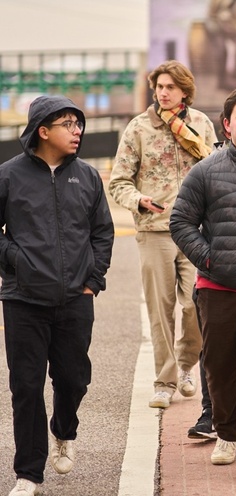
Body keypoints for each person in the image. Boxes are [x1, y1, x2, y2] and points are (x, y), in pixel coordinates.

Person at [0, 96, 114, 496]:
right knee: (26, 387)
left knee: (73, 379)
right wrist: (14, 260)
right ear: (43, 131)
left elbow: (102, 232)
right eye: (68, 124)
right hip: (23, 300)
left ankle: (64, 430)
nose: (78, 130)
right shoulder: (9, 176)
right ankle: (29, 473)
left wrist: (92, 280)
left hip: (74, 299)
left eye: (78, 124)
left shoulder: (87, 176)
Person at [170, 87, 236, 485]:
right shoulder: (205, 171)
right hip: (217, 288)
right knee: (218, 368)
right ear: (227, 124)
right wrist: (210, 259)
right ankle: (227, 433)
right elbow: (180, 222)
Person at [108, 60, 216, 422]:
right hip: (154, 229)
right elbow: (119, 181)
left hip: (196, 231)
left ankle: (186, 365)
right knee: (161, 309)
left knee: (195, 307)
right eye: (159, 86)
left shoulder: (200, 124)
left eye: (170, 86)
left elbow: (217, 170)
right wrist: (137, 200)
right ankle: (164, 381)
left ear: (185, 90)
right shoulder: (138, 128)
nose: (163, 92)